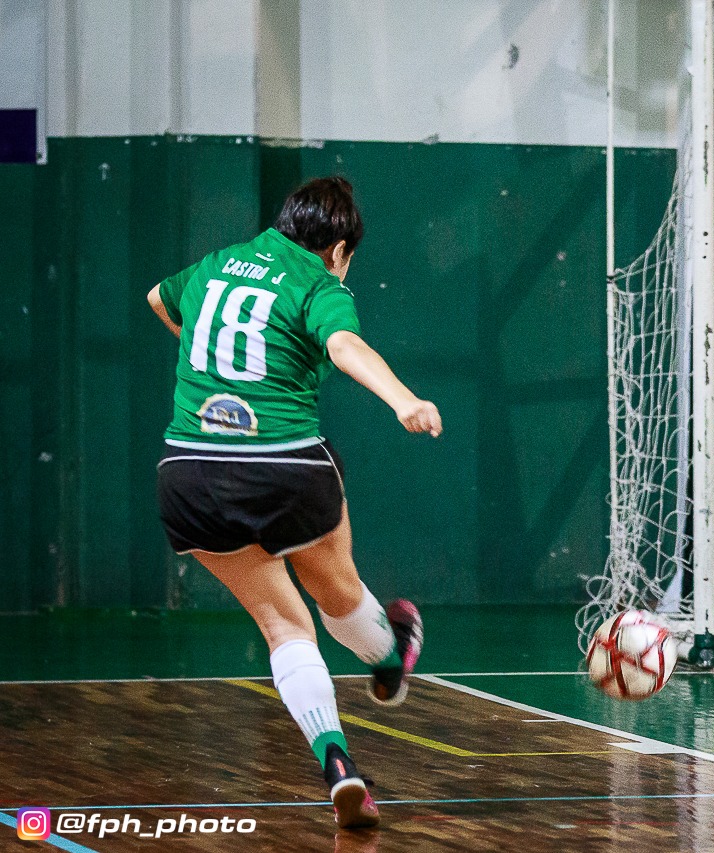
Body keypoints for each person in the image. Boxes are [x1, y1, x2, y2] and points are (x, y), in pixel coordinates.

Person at [147, 176, 443, 828]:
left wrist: (212, 359)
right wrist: (403, 400)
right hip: (282, 467)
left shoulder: (218, 263)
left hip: (187, 474)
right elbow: (344, 345)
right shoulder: (318, 284)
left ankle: (338, 763)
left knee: (283, 626)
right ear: (338, 248)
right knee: (337, 593)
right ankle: (390, 657)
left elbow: (156, 297)